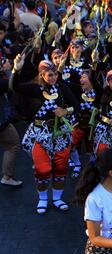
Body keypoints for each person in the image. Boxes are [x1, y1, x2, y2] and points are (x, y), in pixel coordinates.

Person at [10, 56, 79, 215]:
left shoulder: (61, 87)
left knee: (61, 167)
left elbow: (76, 105)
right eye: (50, 74)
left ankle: (57, 198)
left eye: (55, 74)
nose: (53, 77)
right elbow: (13, 87)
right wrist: (16, 69)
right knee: (43, 168)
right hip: (40, 134)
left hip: (60, 133)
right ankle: (42, 198)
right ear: (42, 75)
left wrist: (65, 111)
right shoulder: (34, 89)